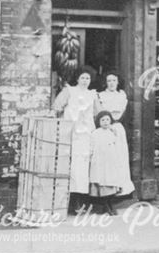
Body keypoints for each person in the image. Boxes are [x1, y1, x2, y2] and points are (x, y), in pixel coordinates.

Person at [52, 68, 98, 214]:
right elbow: (57, 106)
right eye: (83, 78)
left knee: (83, 167)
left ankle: (81, 201)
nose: (85, 81)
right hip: (71, 134)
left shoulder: (92, 95)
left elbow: (98, 113)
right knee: (70, 165)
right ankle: (68, 202)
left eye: (88, 78)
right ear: (77, 79)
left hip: (86, 135)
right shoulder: (69, 91)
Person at [95, 73, 135, 198]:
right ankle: (109, 189)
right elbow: (100, 114)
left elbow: (123, 113)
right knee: (109, 159)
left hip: (118, 128)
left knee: (120, 157)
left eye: (114, 80)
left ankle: (121, 186)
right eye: (109, 80)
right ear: (105, 82)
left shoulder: (121, 95)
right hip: (106, 129)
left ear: (118, 82)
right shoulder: (100, 96)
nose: (111, 83)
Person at [87, 111, 125, 215]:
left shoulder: (112, 132)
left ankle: (109, 204)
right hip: (99, 162)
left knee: (110, 182)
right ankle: (106, 206)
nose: (105, 122)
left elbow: (116, 145)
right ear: (98, 122)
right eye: (102, 120)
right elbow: (91, 147)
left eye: (107, 120)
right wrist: (90, 159)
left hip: (110, 161)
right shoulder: (95, 133)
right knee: (102, 182)